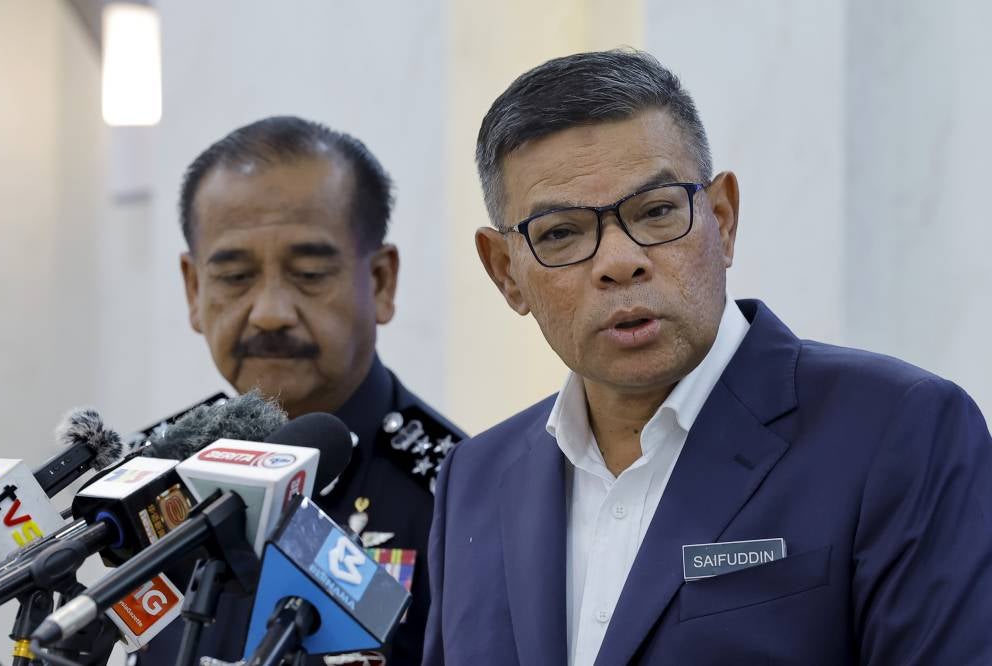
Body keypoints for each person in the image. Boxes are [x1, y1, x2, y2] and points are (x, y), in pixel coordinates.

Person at [423, 50, 992, 665]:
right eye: (561, 232)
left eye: (657, 211)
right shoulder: (474, 480)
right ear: (506, 272)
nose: (619, 261)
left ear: (722, 220)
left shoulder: (898, 430)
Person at [136, 116, 464, 666]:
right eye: (235, 277)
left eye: (310, 273)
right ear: (194, 288)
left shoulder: (459, 495)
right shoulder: (150, 477)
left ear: (380, 281)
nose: (269, 313)